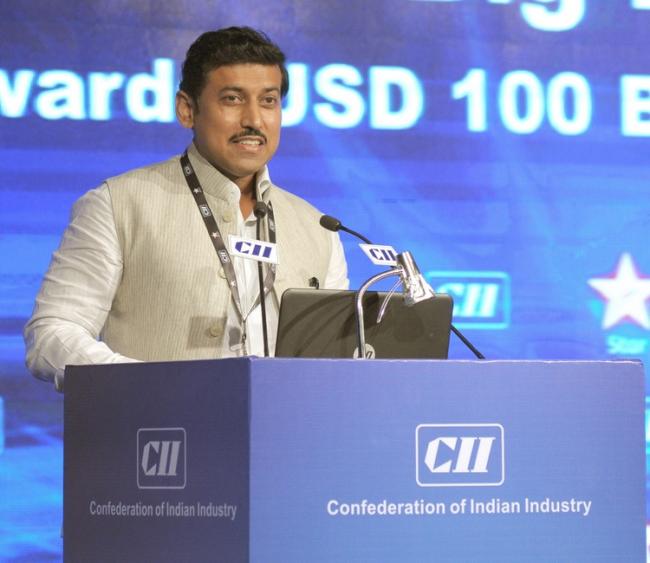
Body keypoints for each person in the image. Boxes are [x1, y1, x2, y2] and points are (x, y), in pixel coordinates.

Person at [24, 27, 349, 389]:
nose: (254, 120)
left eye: (268, 101)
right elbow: (52, 333)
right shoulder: (118, 204)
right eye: (232, 99)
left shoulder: (319, 228)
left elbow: (336, 362)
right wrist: (152, 387)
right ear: (187, 110)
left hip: (283, 424)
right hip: (158, 422)